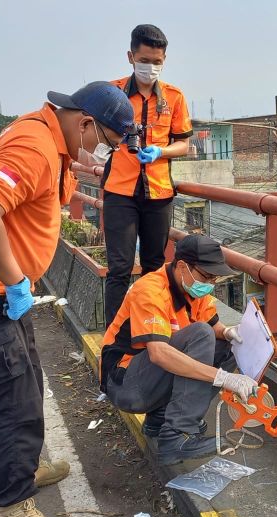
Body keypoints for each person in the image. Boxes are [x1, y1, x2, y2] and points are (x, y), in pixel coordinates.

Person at [0, 82, 134, 517]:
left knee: (29, 380)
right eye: (103, 141)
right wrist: (14, 280)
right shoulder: (34, 147)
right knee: (11, 399)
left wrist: (89, 168)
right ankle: (14, 512)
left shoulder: (53, 140)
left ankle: (22, 467)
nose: (100, 152)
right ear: (84, 123)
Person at [100, 234, 257, 465]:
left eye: (215, 279)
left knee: (228, 347)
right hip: (125, 383)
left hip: (148, 379)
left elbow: (213, 325)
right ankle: (176, 435)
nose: (211, 284)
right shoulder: (150, 290)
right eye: (208, 276)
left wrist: (228, 333)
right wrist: (223, 378)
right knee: (200, 335)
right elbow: (159, 353)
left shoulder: (192, 288)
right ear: (183, 266)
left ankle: (161, 420)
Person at [102, 24, 193, 326]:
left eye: (157, 62)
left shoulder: (174, 97)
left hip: (158, 192)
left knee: (155, 265)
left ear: (164, 60)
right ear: (130, 56)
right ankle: (115, 336)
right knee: (119, 267)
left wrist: (159, 151)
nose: (150, 67)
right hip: (120, 192)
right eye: (144, 60)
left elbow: (183, 144)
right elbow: (92, 131)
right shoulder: (112, 92)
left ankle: (153, 327)